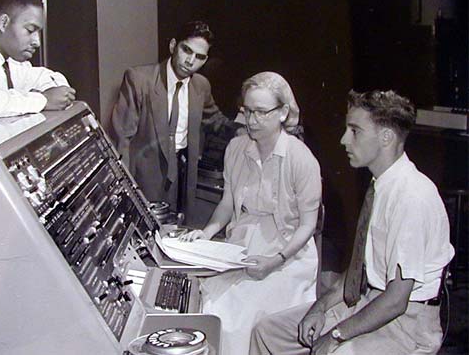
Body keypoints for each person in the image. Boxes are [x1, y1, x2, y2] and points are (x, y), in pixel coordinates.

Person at [250, 90, 455, 355]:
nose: (344, 139)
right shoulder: (381, 185)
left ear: (386, 137)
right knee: (268, 332)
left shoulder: (412, 197)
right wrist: (320, 307)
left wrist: (336, 336)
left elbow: (396, 301)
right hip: (368, 300)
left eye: (355, 131)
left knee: (336, 353)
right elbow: (361, 268)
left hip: (407, 326)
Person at [180, 72, 322, 355]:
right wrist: (205, 235)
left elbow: (308, 225)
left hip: (287, 254)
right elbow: (227, 203)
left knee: (239, 314)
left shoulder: (301, 158)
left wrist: (274, 261)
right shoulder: (236, 148)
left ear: (283, 112)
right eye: (247, 111)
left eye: (260, 112)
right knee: (204, 300)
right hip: (243, 244)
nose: (251, 120)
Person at [111, 21, 235, 222]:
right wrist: (125, 190)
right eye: (187, 50)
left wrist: (244, 128)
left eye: (200, 57)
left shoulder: (201, 86)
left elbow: (215, 120)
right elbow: (122, 140)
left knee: (177, 231)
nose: (191, 61)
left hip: (183, 175)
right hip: (144, 175)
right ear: (172, 46)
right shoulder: (139, 79)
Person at [0, 0, 76, 129]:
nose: (37, 42)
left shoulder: (12, 64)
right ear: (3, 23)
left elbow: (49, 77)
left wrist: (55, 94)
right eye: (30, 30)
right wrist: (43, 99)